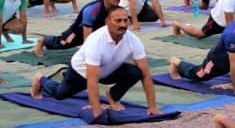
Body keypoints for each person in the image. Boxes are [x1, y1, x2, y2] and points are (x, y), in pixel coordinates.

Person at [29, 6, 163, 119]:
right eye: (118, 21)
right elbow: (92, 81)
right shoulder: (96, 41)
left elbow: (146, 74)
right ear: (108, 22)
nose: (123, 25)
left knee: (136, 72)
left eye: (125, 20)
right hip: (81, 73)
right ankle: (40, 79)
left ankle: (113, 96)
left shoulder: (133, 39)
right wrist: (97, 112)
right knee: (59, 94)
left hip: (108, 70)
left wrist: (152, 107)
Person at [32, 0, 122, 57]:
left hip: (99, 28)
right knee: (63, 43)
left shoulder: (117, 8)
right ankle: (43, 40)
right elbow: (87, 38)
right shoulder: (91, 10)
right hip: (78, 31)